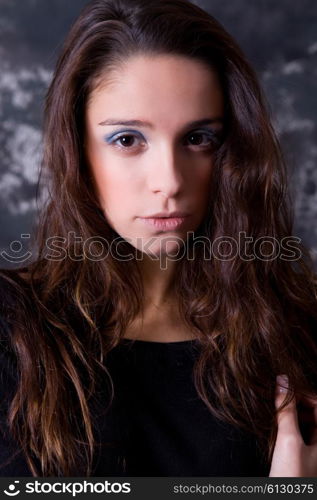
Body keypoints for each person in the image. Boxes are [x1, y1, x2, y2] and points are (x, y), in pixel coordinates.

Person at [0, 0, 316, 478]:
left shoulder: (295, 332)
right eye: (127, 139)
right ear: (76, 148)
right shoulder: (11, 329)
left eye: (198, 139)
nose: (168, 181)